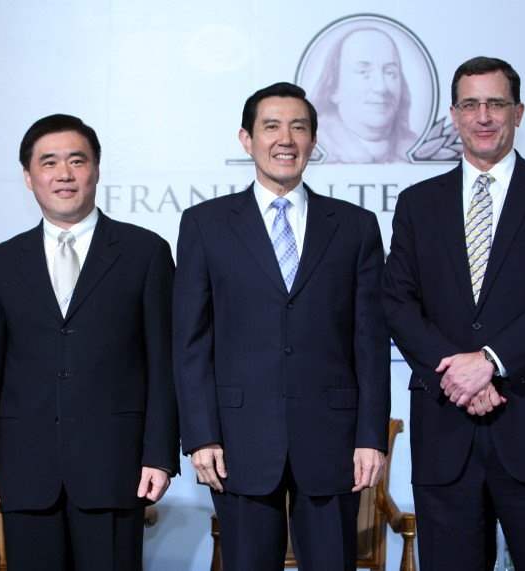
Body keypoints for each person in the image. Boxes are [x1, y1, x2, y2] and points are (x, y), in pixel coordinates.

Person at [383, 56, 525, 571]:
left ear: (518, 112)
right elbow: (397, 300)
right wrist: (457, 372)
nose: (483, 116)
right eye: (471, 104)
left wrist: (491, 362)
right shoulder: (417, 203)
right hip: (446, 429)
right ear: (454, 115)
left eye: (496, 104)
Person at [173, 82, 390, 571]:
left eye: (299, 127)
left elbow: (371, 342)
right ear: (246, 139)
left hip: (333, 439)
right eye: (271, 126)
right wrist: (201, 435)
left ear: (313, 140)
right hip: (238, 440)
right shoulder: (205, 225)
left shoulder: (355, 226)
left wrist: (370, 436)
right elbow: (190, 342)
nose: (285, 139)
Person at [0, 114, 179, 571]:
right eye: (49, 162)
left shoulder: (145, 252)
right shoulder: (3, 260)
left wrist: (160, 455)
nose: (63, 173)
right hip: (25, 470)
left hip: (116, 467)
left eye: (76, 161)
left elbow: (164, 363)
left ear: (96, 169)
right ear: (29, 177)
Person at [310, 27, 417, 163]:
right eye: (363, 72)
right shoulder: (313, 144)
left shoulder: (414, 145)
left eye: (390, 73)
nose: (381, 88)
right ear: (334, 88)